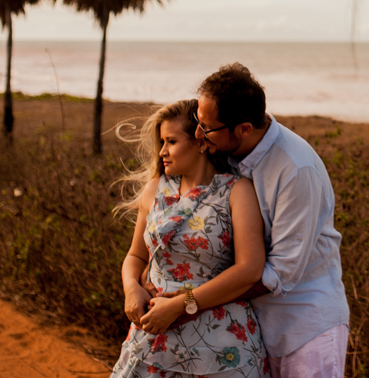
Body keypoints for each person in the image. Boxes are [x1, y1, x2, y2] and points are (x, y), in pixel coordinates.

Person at [194, 63, 350, 378]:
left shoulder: (295, 169)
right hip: (255, 329)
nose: (198, 134)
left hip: (306, 329)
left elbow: (281, 273)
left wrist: (194, 301)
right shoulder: (227, 155)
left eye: (207, 127)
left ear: (244, 129)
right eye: (197, 122)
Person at [111, 99, 267, 378]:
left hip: (221, 346)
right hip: (154, 338)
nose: (162, 152)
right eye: (161, 141)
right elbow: (135, 255)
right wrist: (130, 287)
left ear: (200, 141)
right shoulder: (154, 189)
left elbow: (250, 269)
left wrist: (182, 304)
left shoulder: (236, 192)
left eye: (171, 141)